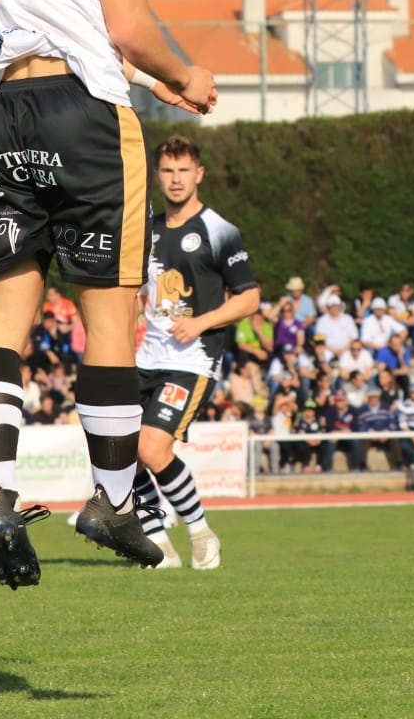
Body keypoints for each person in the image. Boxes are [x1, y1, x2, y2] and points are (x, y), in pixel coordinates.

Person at [0, 0, 215, 588]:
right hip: (84, 113)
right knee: (111, 313)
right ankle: (110, 499)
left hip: (3, 111)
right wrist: (187, 76)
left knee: (4, 314)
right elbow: (124, 26)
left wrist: (151, 75)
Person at [129, 136, 259, 570]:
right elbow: (138, 291)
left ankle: (201, 533)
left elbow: (250, 298)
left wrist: (201, 323)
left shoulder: (219, 230)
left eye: (184, 170)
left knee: (151, 449)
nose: (176, 179)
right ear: (158, 175)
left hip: (191, 361)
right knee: (120, 450)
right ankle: (158, 544)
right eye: (167, 170)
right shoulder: (147, 227)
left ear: (198, 174)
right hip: (145, 358)